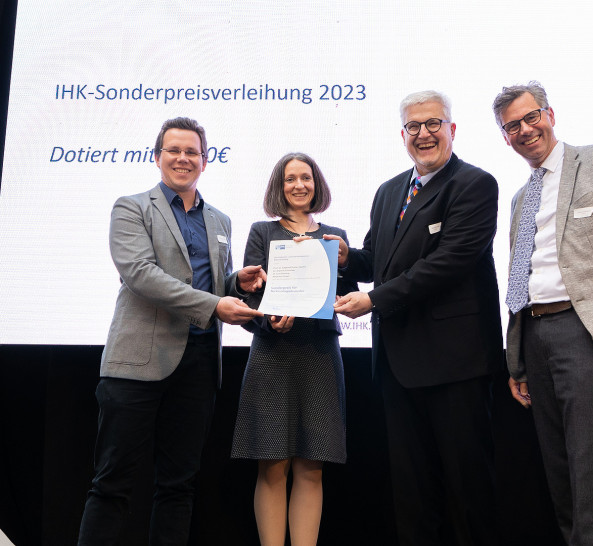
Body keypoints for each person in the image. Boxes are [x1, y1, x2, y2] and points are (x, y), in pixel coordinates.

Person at [78, 117, 266, 545]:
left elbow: (209, 281)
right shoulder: (131, 207)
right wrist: (216, 304)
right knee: (111, 486)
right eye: (174, 150)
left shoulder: (220, 220)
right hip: (137, 366)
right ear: (158, 156)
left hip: (198, 365)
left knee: (178, 487)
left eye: (192, 152)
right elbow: (142, 275)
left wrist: (237, 283)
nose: (183, 158)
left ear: (205, 160)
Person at [331, 91, 503, 545]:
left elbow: (449, 262)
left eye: (433, 124)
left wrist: (374, 301)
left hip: (455, 365)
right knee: (411, 492)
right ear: (402, 134)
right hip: (396, 364)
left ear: (451, 129)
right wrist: (348, 260)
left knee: (468, 492)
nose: (423, 134)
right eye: (414, 127)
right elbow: (379, 260)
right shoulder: (390, 191)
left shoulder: (474, 184)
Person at [492, 81, 593, 545]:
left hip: (585, 336)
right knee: (560, 479)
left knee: (591, 479)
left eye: (531, 117)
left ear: (550, 114)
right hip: (535, 339)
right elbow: (520, 280)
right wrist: (517, 359)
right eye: (512, 127)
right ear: (505, 138)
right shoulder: (520, 198)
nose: (525, 130)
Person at [231, 153, 356, 546]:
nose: (298, 185)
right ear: (278, 186)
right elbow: (249, 297)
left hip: (319, 354)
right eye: (290, 179)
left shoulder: (335, 237)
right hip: (272, 354)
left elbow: (345, 292)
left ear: (316, 183)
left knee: (312, 465)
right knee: (272, 465)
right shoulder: (262, 232)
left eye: (306, 177)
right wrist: (267, 319)